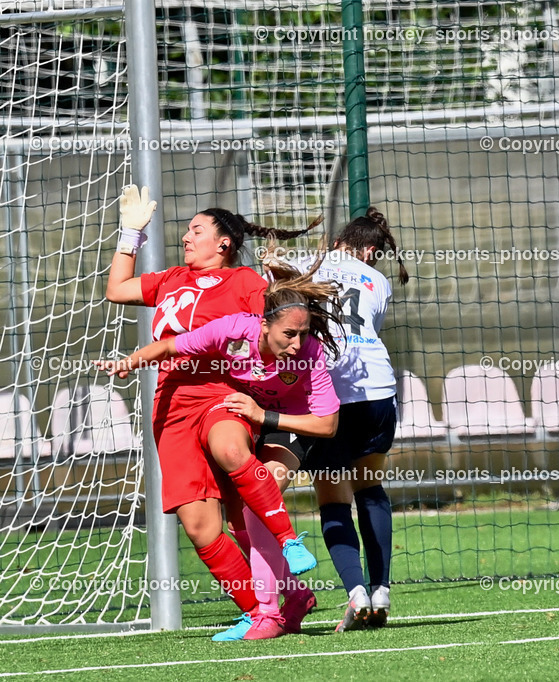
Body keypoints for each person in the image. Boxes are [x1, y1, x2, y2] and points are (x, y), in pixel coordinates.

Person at [104, 188, 319, 639]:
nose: (186, 236)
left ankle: (287, 550)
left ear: (224, 242)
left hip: (223, 394)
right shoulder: (170, 279)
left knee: (230, 455)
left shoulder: (245, 283)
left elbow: (283, 326)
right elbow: (116, 289)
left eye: (196, 230)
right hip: (169, 406)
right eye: (186, 230)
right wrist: (130, 233)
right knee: (200, 527)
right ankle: (278, 601)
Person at [302, 208, 409, 633]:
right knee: (370, 487)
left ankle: (355, 592)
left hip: (332, 395)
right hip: (379, 392)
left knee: (331, 496)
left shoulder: (313, 264)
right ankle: (381, 588)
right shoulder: (379, 281)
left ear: (339, 243)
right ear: (369, 250)